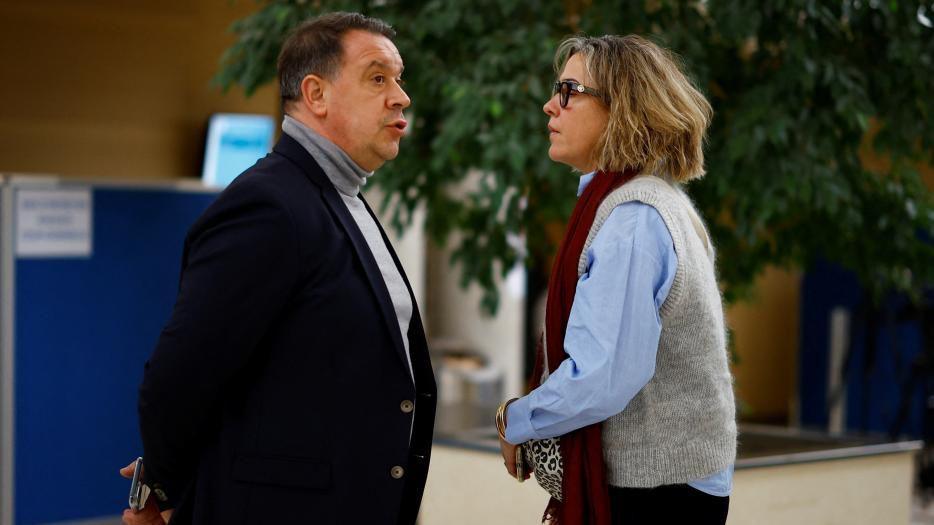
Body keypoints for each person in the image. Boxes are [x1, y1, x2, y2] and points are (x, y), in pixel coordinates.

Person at [119, 12, 436, 525]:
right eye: (378, 78)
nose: (401, 96)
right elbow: (181, 375)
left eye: (399, 80)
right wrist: (163, 489)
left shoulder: (340, 197)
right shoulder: (269, 205)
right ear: (316, 95)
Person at [496, 34, 736, 525]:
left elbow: (603, 377)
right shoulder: (644, 201)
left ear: (621, 107)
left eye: (568, 90)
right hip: (670, 481)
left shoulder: (633, 219)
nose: (549, 106)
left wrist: (515, 421)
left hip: (658, 491)